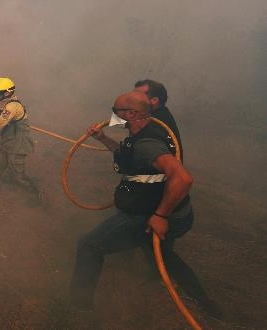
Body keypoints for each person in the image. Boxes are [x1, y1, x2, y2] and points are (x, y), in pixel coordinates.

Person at [69, 91, 220, 317]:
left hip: (146, 216)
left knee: (89, 245)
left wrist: (160, 216)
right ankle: (206, 303)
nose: (112, 115)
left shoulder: (147, 143)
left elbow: (183, 178)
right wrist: (102, 138)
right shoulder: (140, 134)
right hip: (163, 212)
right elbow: (128, 155)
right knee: (163, 257)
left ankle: (79, 309)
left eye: (116, 111)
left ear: (131, 113)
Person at [134, 79, 182, 150]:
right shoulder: (157, 116)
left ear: (154, 100)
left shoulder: (155, 122)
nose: (131, 99)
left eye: (137, 96)